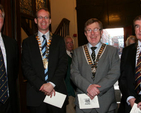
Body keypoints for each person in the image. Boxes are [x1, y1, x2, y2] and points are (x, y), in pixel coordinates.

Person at [22, 8, 68, 113]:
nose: (43, 20)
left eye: (46, 17)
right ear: (35, 20)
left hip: (56, 92)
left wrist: (51, 84)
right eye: (40, 17)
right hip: (36, 94)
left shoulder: (59, 41)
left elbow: (63, 65)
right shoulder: (27, 43)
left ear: (50, 20)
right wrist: (42, 86)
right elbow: (26, 68)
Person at [71, 18, 120, 113]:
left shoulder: (112, 51)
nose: (92, 33)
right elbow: (74, 73)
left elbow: (115, 73)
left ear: (101, 32)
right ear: (85, 33)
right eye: (89, 30)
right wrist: (88, 87)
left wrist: (96, 89)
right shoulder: (77, 52)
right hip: (84, 103)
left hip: (106, 104)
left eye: (96, 29)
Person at [118, 15, 141, 113]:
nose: (140, 30)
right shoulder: (127, 51)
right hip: (129, 104)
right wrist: (130, 98)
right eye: (137, 26)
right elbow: (122, 77)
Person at [0, 4, 19, 113]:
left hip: (9, 101)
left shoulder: (12, 44)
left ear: (3, 19)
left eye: (0, 16)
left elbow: (14, 72)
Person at [64, 36, 76, 113]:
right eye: (68, 43)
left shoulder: (75, 54)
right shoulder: (63, 57)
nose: (70, 44)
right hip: (68, 89)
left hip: (77, 89)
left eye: (71, 42)